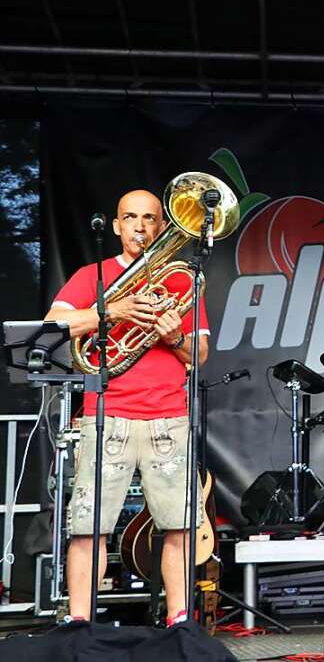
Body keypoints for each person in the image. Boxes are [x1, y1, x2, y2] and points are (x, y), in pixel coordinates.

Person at [45, 189, 210, 625]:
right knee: (88, 529)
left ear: (161, 226)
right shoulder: (92, 275)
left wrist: (173, 337)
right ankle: (80, 624)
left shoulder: (181, 279)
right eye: (130, 217)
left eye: (150, 218)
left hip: (168, 418)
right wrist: (110, 309)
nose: (140, 226)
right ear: (116, 226)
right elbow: (50, 327)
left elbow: (200, 355)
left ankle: (180, 622)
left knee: (179, 526)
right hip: (106, 414)